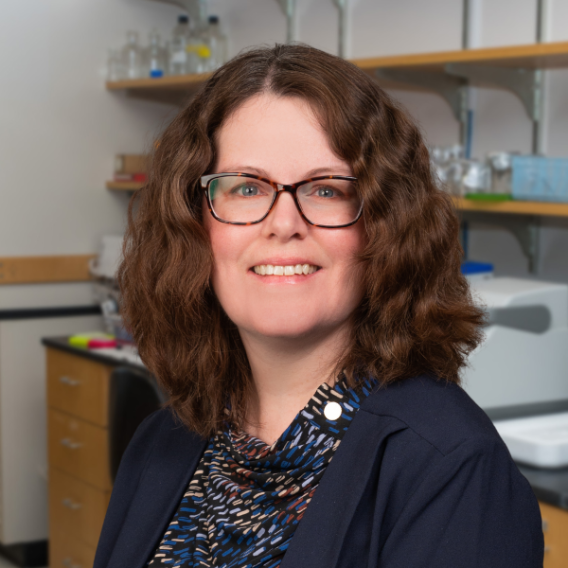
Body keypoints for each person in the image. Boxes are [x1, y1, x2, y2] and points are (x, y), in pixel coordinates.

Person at [94, 44, 543, 568]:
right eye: (245, 187)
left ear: (386, 224)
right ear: (194, 224)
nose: (284, 223)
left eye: (327, 190)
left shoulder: (451, 467)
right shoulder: (163, 441)